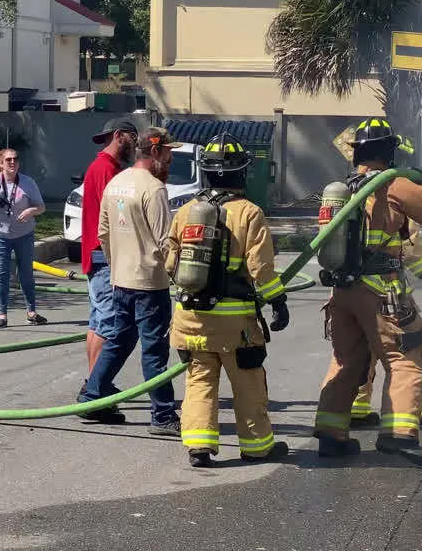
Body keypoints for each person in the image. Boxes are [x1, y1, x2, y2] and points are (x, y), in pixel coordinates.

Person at [312, 117, 422, 467]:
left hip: (342, 294)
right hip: (380, 291)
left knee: (347, 360)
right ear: (389, 151)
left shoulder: (344, 187)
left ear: (357, 152)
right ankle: (399, 435)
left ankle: (331, 435)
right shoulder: (394, 184)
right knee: (406, 358)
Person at [165, 134, 291, 467]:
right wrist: (278, 301)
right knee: (248, 384)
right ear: (241, 173)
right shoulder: (249, 213)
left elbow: (169, 261)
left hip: (191, 319)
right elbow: (260, 266)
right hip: (235, 326)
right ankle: (257, 447)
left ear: (205, 171)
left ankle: (199, 447)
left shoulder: (187, 212)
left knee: (200, 381)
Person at [77, 127, 182, 436]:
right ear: (157, 152)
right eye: (169, 152)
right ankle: (162, 415)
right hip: (150, 283)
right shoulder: (153, 189)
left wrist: (117, 265)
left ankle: (94, 394)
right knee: (154, 349)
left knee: (120, 340)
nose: (171, 158)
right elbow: (165, 241)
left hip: (122, 280)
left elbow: (104, 232)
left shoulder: (117, 183)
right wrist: (181, 278)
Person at [351, 136, 422, 429]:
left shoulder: (344, 189)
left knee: (360, 352)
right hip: (387, 292)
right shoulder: (394, 189)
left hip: (348, 291)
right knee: (411, 352)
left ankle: (355, 408)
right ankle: (413, 417)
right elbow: (411, 245)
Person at [79, 118, 138, 394]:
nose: (135, 145)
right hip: (104, 256)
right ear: (119, 136)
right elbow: (115, 216)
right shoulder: (107, 169)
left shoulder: (102, 166)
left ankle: (95, 381)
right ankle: (97, 387)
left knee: (97, 323)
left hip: (95, 254)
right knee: (107, 323)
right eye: (133, 138)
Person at [0, 149, 47, 329]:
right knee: (1, 274)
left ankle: (31, 311)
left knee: (26, 273)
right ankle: (2, 315)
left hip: (24, 234)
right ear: (1, 163)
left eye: (15, 159)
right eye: (8, 160)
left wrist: (31, 211)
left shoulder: (28, 182)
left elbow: (41, 207)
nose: (12, 162)